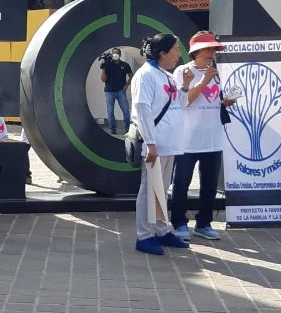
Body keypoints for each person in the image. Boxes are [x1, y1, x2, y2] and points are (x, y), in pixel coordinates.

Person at [170, 32, 236, 242]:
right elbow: (183, 102)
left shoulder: (215, 73)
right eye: (208, 50)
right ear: (196, 51)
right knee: (181, 182)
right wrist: (204, 81)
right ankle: (179, 223)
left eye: (214, 50)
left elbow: (213, 99)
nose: (212, 54)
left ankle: (204, 223)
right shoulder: (183, 71)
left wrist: (224, 102)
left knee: (209, 184)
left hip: (213, 137)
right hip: (187, 139)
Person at [131, 33, 191, 256]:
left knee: (161, 189)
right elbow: (142, 109)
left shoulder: (166, 76)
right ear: (162, 53)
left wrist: (184, 86)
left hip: (170, 144)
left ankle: (161, 229)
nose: (178, 54)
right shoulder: (145, 75)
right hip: (155, 145)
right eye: (175, 49)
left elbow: (181, 104)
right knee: (149, 190)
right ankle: (144, 235)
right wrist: (151, 143)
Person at [100, 47, 133, 134]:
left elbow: (131, 76)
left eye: (117, 53)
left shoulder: (125, 65)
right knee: (110, 110)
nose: (115, 54)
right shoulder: (108, 65)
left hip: (121, 91)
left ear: (120, 55)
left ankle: (128, 128)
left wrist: (126, 85)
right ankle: (112, 128)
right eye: (113, 53)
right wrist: (103, 67)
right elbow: (103, 79)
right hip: (109, 91)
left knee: (126, 110)